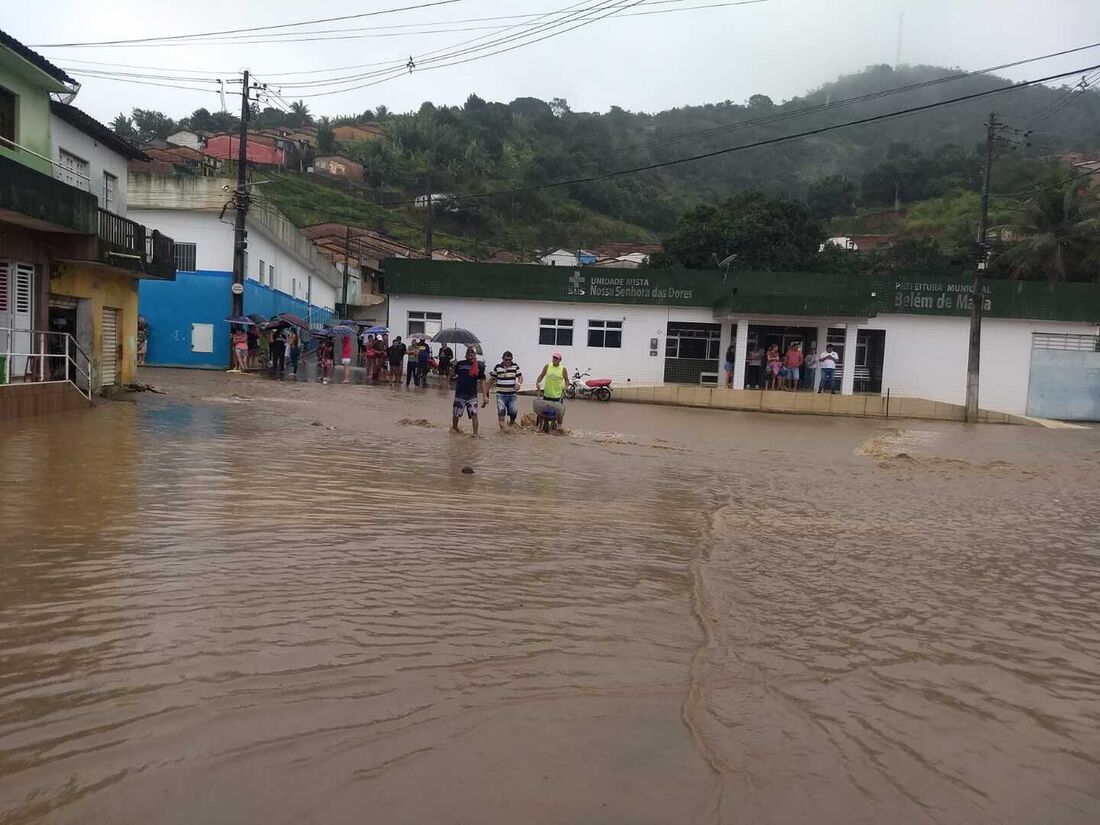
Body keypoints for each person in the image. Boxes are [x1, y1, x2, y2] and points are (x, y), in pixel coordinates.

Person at [451, 346, 486, 436]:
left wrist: (485, 396)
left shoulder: (479, 366)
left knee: (474, 414)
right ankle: (454, 429)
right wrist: (453, 366)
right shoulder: (460, 364)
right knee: (456, 414)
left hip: (472, 395)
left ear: (475, 355)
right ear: (465, 354)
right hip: (460, 394)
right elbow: (452, 375)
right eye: (468, 352)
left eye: (472, 352)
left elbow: (482, 381)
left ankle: (475, 434)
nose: (470, 354)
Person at [486, 350, 523, 429]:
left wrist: (518, 384)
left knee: (513, 413)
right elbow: (491, 380)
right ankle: (505, 432)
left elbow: (520, 377)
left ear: (512, 359)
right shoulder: (497, 367)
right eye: (506, 359)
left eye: (510, 360)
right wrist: (486, 392)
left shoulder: (515, 366)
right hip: (500, 395)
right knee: (501, 413)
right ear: (502, 359)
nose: (508, 361)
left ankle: (511, 427)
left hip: (512, 395)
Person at [536, 352, 569, 429]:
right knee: (544, 413)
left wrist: (566, 387)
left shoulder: (563, 369)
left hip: (557, 396)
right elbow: (541, 376)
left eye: (556, 358)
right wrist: (537, 382)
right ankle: (545, 425)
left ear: (560, 360)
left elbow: (567, 381)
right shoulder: (547, 366)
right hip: (547, 394)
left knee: (559, 413)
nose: (554, 359)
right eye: (554, 357)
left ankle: (559, 426)